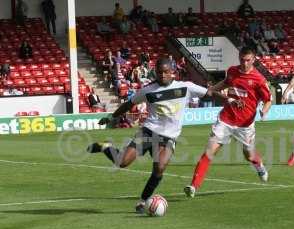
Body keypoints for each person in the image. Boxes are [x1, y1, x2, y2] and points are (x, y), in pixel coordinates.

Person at [86, 57, 242, 213]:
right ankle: (105, 146)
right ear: (155, 72)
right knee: (122, 162)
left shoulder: (185, 87)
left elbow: (209, 93)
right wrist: (111, 117)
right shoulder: (148, 90)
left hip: (168, 138)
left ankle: (143, 201)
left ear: (172, 72)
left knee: (159, 168)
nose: (163, 75)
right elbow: (129, 104)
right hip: (148, 132)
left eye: (166, 72)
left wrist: (228, 99)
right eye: (159, 72)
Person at [184, 47, 272, 198]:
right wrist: (211, 89)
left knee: (249, 156)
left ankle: (259, 166)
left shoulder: (258, 79)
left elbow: (268, 99)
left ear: (254, 59)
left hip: (245, 125)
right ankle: (193, 186)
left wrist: (264, 110)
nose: (245, 63)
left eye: (248, 60)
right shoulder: (232, 71)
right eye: (242, 60)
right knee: (209, 152)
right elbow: (226, 82)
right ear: (239, 58)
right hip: (225, 119)